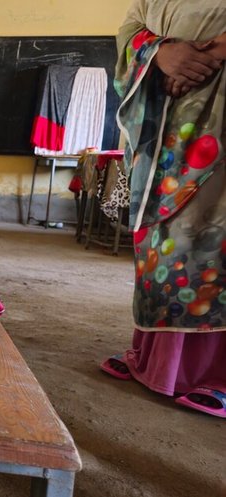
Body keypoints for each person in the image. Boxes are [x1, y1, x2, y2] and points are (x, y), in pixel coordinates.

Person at [100, 0, 226, 418]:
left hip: (219, 122)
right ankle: (154, 358)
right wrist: (161, 54)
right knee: (164, 238)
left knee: (213, 236)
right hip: (167, 128)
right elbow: (132, 26)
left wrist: (212, 53)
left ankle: (216, 375)